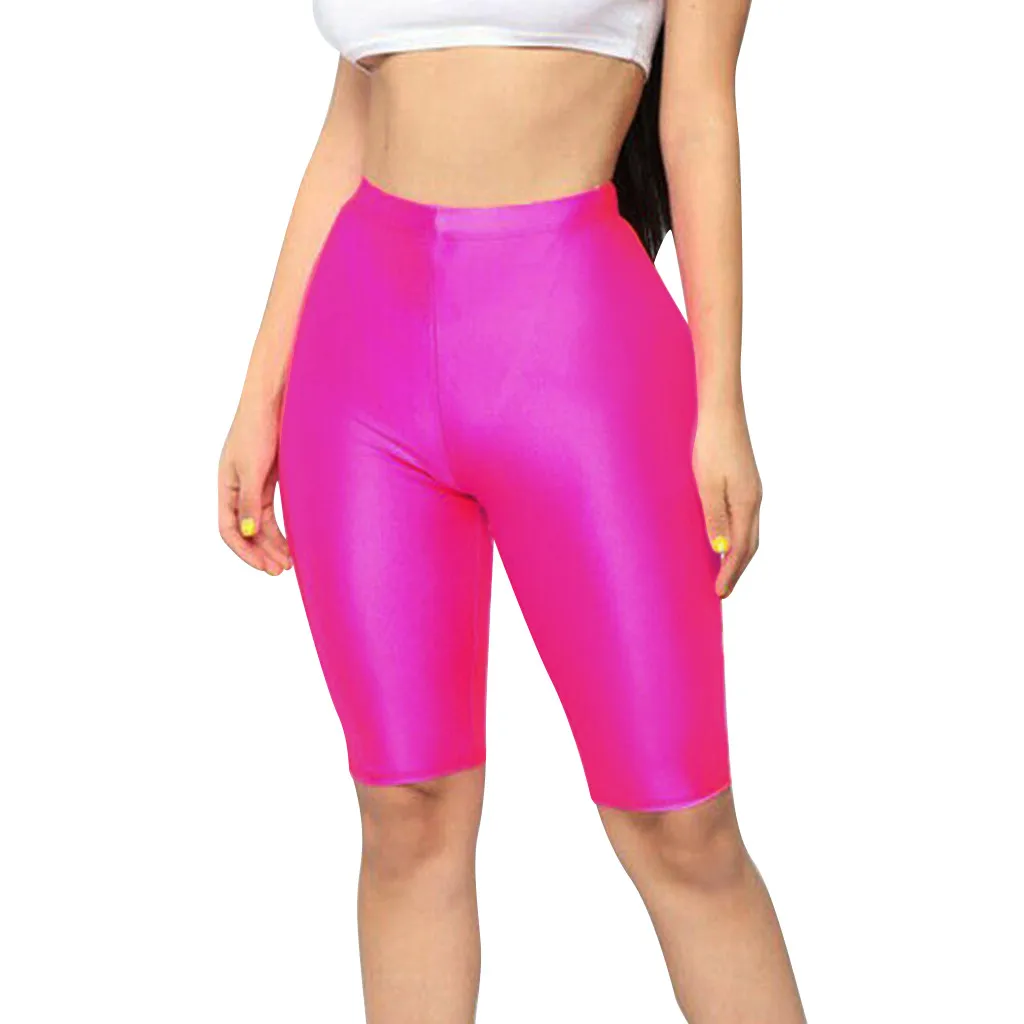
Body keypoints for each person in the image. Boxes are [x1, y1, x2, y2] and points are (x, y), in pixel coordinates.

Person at [217, 0, 804, 1019]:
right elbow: (351, 127)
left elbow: (698, 117)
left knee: (682, 828)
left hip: (579, 358)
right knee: (405, 810)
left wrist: (722, 400)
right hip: (358, 365)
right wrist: (258, 392)